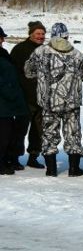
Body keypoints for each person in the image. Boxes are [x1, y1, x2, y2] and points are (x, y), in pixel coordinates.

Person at [24, 22, 83, 177]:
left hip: (49, 103)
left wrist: (42, 76)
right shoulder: (77, 54)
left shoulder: (40, 52)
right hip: (72, 103)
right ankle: (74, 169)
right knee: (73, 134)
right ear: (67, 36)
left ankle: (51, 169)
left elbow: (28, 72)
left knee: (49, 134)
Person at [8, 20, 44, 169]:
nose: (40, 36)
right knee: (20, 130)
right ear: (30, 34)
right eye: (37, 33)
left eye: (43, 34)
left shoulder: (46, 50)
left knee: (38, 130)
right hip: (24, 97)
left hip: (41, 98)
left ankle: (33, 157)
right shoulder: (19, 49)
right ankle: (14, 157)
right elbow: (12, 72)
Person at [0, 28, 32, 176]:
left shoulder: (4, 54)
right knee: (3, 133)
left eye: (2, 38)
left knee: (18, 130)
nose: (3, 40)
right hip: (3, 100)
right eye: (0, 38)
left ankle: (12, 158)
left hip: (15, 99)